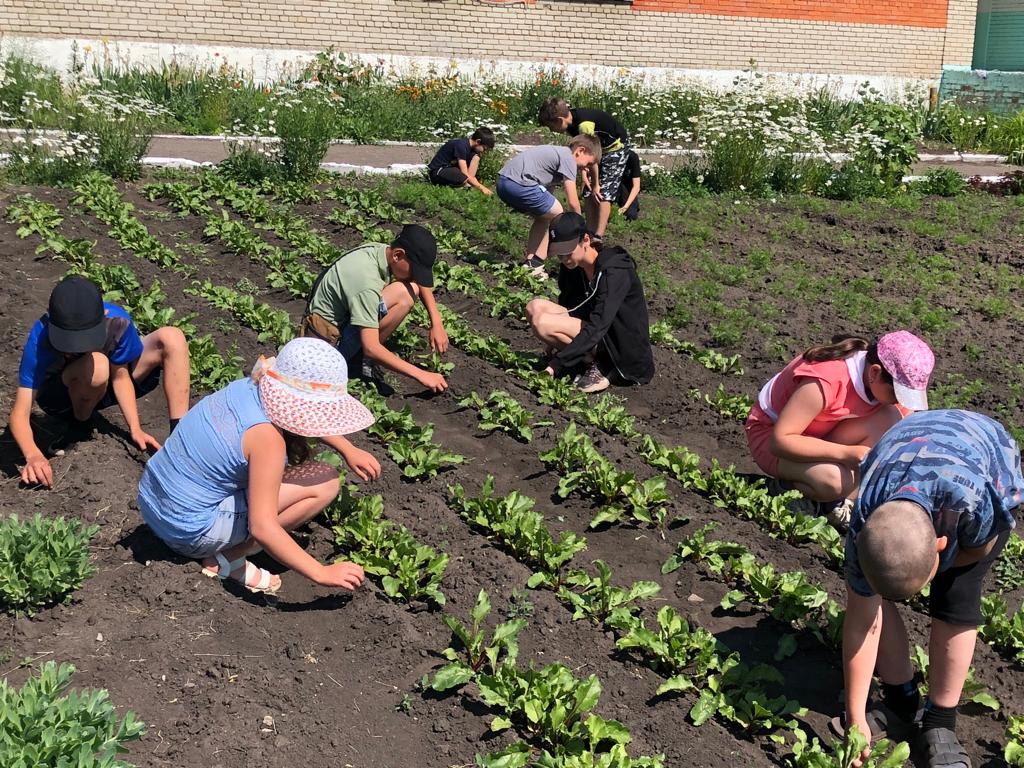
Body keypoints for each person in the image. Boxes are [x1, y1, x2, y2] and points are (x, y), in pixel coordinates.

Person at [839, 409, 1020, 768]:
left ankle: (940, 719)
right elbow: (862, 622)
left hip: (987, 455)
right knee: (870, 597)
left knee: (955, 594)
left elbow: (978, 548)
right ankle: (900, 699)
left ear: (942, 543)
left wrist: (950, 566)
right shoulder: (865, 526)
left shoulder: (975, 506)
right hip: (905, 449)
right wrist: (854, 714)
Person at [138, 338, 378, 595]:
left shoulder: (247, 387)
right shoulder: (267, 439)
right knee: (326, 482)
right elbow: (262, 527)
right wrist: (321, 572)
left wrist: (347, 448)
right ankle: (229, 558)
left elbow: (299, 416)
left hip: (153, 501)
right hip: (187, 531)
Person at [11, 276, 190, 487]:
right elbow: (19, 413)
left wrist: (135, 428)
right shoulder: (40, 336)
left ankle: (182, 443)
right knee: (97, 363)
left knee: (172, 337)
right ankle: (79, 427)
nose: (73, 348)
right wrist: (33, 455)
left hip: (102, 384)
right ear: (51, 323)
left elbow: (121, 376)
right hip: (59, 397)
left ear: (103, 315)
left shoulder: (117, 321)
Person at [745, 332, 934, 530]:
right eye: (897, 393)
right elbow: (780, 441)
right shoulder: (826, 380)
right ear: (875, 373)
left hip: (818, 434)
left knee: (892, 419)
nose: (900, 400)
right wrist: (847, 454)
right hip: (772, 438)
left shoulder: (875, 384)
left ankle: (830, 501)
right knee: (834, 481)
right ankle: (789, 488)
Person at [300, 224, 448, 393]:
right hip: (324, 349)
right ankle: (355, 362)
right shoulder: (366, 283)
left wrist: (436, 322)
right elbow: (371, 347)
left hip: (334, 322)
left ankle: (358, 354)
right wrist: (422, 374)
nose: (416, 277)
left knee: (408, 291)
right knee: (402, 294)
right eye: (415, 271)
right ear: (398, 255)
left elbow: (420, 284)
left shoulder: (381, 251)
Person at [526, 212, 654, 393]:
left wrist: (557, 363)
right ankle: (584, 358)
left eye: (568, 252)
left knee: (543, 323)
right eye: (559, 254)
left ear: (586, 240)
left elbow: (600, 323)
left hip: (622, 349)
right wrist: (554, 341)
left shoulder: (614, 271)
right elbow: (570, 303)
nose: (564, 259)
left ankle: (601, 366)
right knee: (534, 307)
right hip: (598, 334)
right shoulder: (573, 265)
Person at [495, 136, 601, 279]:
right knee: (558, 215)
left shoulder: (556, 157)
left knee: (544, 217)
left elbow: (547, 194)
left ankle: (532, 263)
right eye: (589, 163)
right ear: (580, 151)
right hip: (518, 183)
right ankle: (538, 261)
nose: (586, 169)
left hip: (503, 183)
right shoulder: (568, 158)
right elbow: (573, 201)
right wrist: (579, 229)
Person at [538, 97, 630, 243]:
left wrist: (595, 183)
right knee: (587, 191)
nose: (552, 131)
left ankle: (598, 236)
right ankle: (589, 230)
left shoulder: (584, 126)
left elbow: (591, 157)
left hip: (614, 148)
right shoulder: (570, 123)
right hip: (595, 149)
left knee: (604, 191)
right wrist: (586, 178)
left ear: (559, 120)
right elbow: (583, 155)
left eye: (551, 127)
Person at [427, 127, 495, 195]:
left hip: (451, 169)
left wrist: (474, 181)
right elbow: (465, 173)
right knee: (460, 175)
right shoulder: (461, 145)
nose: (485, 152)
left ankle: (466, 187)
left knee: (475, 158)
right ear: (478, 141)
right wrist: (482, 188)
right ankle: (464, 186)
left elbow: (469, 175)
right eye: (484, 149)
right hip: (438, 171)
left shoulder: (472, 150)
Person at [615, 149, 641, 221]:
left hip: (626, 185)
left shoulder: (632, 157)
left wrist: (625, 207)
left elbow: (636, 186)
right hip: (611, 184)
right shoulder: (607, 155)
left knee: (631, 215)